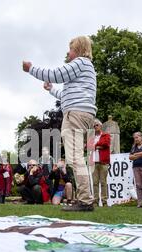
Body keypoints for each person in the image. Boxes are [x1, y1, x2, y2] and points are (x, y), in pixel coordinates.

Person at [23, 36, 96, 212]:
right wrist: (51, 90)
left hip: (75, 114)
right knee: (76, 157)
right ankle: (85, 198)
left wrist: (31, 69)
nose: (68, 52)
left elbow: (55, 74)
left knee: (75, 157)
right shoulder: (86, 69)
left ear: (78, 49)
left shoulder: (80, 62)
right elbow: (66, 96)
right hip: (82, 113)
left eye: (70, 49)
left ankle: (85, 200)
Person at [87, 119, 111, 207]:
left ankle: (104, 201)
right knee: (95, 183)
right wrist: (98, 146)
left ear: (101, 126)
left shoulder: (106, 135)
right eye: (94, 126)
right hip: (94, 162)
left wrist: (95, 146)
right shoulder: (91, 137)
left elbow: (106, 144)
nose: (95, 127)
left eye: (97, 125)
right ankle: (95, 201)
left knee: (103, 182)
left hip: (103, 162)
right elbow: (88, 146)